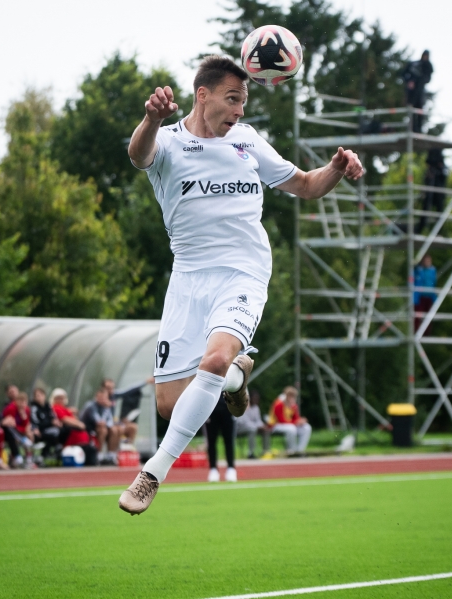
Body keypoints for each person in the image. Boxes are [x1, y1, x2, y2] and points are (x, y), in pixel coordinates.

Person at [119, 55, 363, 514]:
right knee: (170, 404)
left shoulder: (248, 141)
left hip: (243, 271)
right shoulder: (167, 141)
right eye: (232, 99)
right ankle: (235, 376)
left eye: (244, 101)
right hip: (188, 277)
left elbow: (306, 185)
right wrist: (151, 118)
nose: (240, 110)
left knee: (212, 359)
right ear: (203, 95)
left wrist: (336, 167)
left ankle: (152, 473)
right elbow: (137, 155)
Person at [82, 386, 133, 465]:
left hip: (101, 427)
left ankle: (111, 455)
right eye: (100, 398)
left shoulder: (106, 406)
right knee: (103, 430)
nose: (103, 400)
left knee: (117, 429)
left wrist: (115, 424)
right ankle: (99, 455)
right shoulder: (91, 406)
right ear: (96, 397)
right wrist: (107, 408)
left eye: (104, 398)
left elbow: (110, 421)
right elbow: (99, 421)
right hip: (89, 429)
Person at [51, 388, 97, 466]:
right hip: (69, 435)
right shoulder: (56, 408)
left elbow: (73, 418)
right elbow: (64, 419)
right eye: (58, 398)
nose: (61, 400)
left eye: (62, 398)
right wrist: (79, 424)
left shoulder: (66, 409)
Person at [268, 386, 312, 455]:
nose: (292, 398)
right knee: (291, 428)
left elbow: (295, 418)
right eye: (290, 396)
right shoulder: (278, 404)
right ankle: (292, 451)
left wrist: (301, 421)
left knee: (307, 427)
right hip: (275, 425)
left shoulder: (293, 405)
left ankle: (299, 450)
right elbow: (281, 420)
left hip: (289, 425)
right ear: (286, 395)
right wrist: (296, 422)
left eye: (293, 396)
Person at [204, 395, 237, 482]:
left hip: (228, 410)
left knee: (229, 441)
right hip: (211, 410)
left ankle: (231, 468)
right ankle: (213, 468)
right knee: (211, 442)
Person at [418, 149, 448, 232]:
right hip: (430, 193)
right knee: (426, 207)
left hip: (438, 193)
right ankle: (421, 229)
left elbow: (443, 179)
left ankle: (439, 230)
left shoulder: (441, 170)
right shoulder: (432, 170)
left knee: (439, 209)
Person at [402, 50, 433, 132]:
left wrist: (420, 81)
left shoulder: (427, 65)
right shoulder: (414, 64)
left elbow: (428, 79)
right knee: (411, 111)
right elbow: (404, 74)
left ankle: (418, 130)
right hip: (411, 93)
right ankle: (412, 129)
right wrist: (409, 81)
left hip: (420, 93)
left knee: (419, 111)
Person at [2, 391, 35, 468]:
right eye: (20, 401)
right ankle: (17, 456)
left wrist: (24, 417)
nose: (22, 404)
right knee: (11, 431)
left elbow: (26, 425)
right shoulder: (11, 408)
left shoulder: (26, 410)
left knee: (30, 435)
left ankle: (29, 459)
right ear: (16, 401)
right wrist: (23, 431)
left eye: (24, 402)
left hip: (19, 430)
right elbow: (12, 425)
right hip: (8, 431)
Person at [235, 389, 270, 458]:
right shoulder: (243, 406)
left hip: (253, 427)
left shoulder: (256, 408)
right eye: (254, 398)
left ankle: (265, 452)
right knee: (252, 429)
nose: (256, 400)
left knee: (266, 430)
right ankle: (251, 453)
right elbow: (244, 422)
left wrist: (262, 426)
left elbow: (258, 420)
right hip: (240, 428)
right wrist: (258, 426)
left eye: (257, 398)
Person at [30, 387, 60, 460]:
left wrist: (56, 422)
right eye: (36, 396)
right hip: (40, 430)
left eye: (40, 395)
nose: (38, 398)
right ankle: (44, 454)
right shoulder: (34, 408)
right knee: (53, 435)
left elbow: (53, 416)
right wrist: (50, 423)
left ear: (44, 396)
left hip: (49, 428)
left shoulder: (48, 406)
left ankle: (59, 451)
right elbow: (35, 422)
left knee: (63, 430)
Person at [413, 255, 437, 335]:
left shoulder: (432, 270)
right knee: (417, 316)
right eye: (426, 261)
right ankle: (416, 333)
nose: (427, 262)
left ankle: (426, 335)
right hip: (419, 297)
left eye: (429, 261)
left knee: (428, 317)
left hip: (430, 296)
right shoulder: (418, 270)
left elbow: (433, 283)